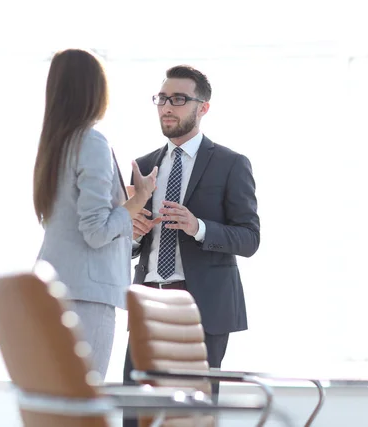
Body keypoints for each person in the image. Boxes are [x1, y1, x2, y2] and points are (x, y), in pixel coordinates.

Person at [122, 65, 260, 406]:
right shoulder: (142, 165)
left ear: (203, 107)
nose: (168, 107)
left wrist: (198, 227)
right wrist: (134, 235)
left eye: (179, 99)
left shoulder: (231, 163)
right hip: (148, 299)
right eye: (162, 99)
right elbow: (125, 244)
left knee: (193, 413)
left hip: (203, 306)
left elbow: (249, 238)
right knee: (136, 409)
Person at [33, 48, 158, 379]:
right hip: (85, 297)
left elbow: (74, 216)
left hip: (54, 290)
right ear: (95, 89)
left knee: (58, 402)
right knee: (84, 403)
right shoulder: (92, 141)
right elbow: (97, 231)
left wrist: (121, 202)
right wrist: (138, 200)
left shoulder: (56, 144)